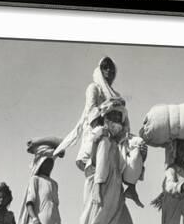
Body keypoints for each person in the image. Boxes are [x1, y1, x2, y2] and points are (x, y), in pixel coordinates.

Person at [53, 56, 144, 207]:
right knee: (103, 139)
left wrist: (125, 131)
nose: (109, 70)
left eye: (111, 68)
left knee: (140, 144)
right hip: (98, 132)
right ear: (100, 70)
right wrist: (110, 106)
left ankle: (132, 187)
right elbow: (91, 114)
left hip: (117, 134)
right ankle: (97, 186)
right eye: (105, 67)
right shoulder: (94, 88)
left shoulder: (116, 94)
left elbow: (124, 121)